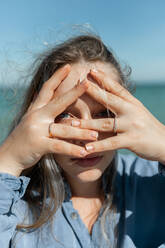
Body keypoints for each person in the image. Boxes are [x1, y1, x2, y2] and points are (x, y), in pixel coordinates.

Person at [0, 34, 165, 248]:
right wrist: (8, 159)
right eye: (66, 114)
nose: (88, 136)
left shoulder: (154, 180)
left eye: (103, 113)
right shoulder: (14, 205)